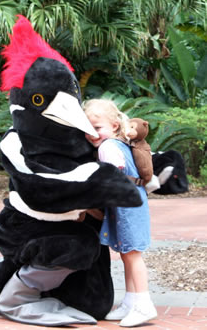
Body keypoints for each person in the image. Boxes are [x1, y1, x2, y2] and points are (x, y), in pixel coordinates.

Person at [83, 99, 157, 328]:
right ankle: (131, 301)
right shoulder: (121, 143)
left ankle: (144, 304)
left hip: (127, 203)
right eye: (88, 130)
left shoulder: (107, 147)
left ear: (114, 125)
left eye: (97, 128)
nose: (92, 134)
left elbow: (111, 173)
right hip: (131, 201)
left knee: (132, 254)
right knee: (128, 254)